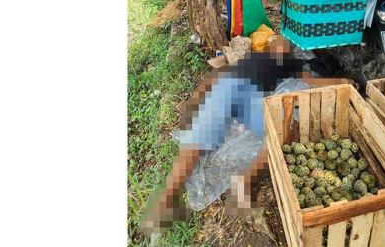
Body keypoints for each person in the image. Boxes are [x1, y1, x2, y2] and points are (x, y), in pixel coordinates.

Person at [139, 37, 354, 233]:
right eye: (277, 41)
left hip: (254, 97)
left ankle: (244, 183)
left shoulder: (291, 65)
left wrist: (342, 82)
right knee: (198, 139)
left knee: (276, 135)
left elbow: (314, 82)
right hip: (230, 85)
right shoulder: (252, 54)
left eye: (285, 44)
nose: (281, 44)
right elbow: (220, 65)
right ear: (268, 45)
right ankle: (167, 197)